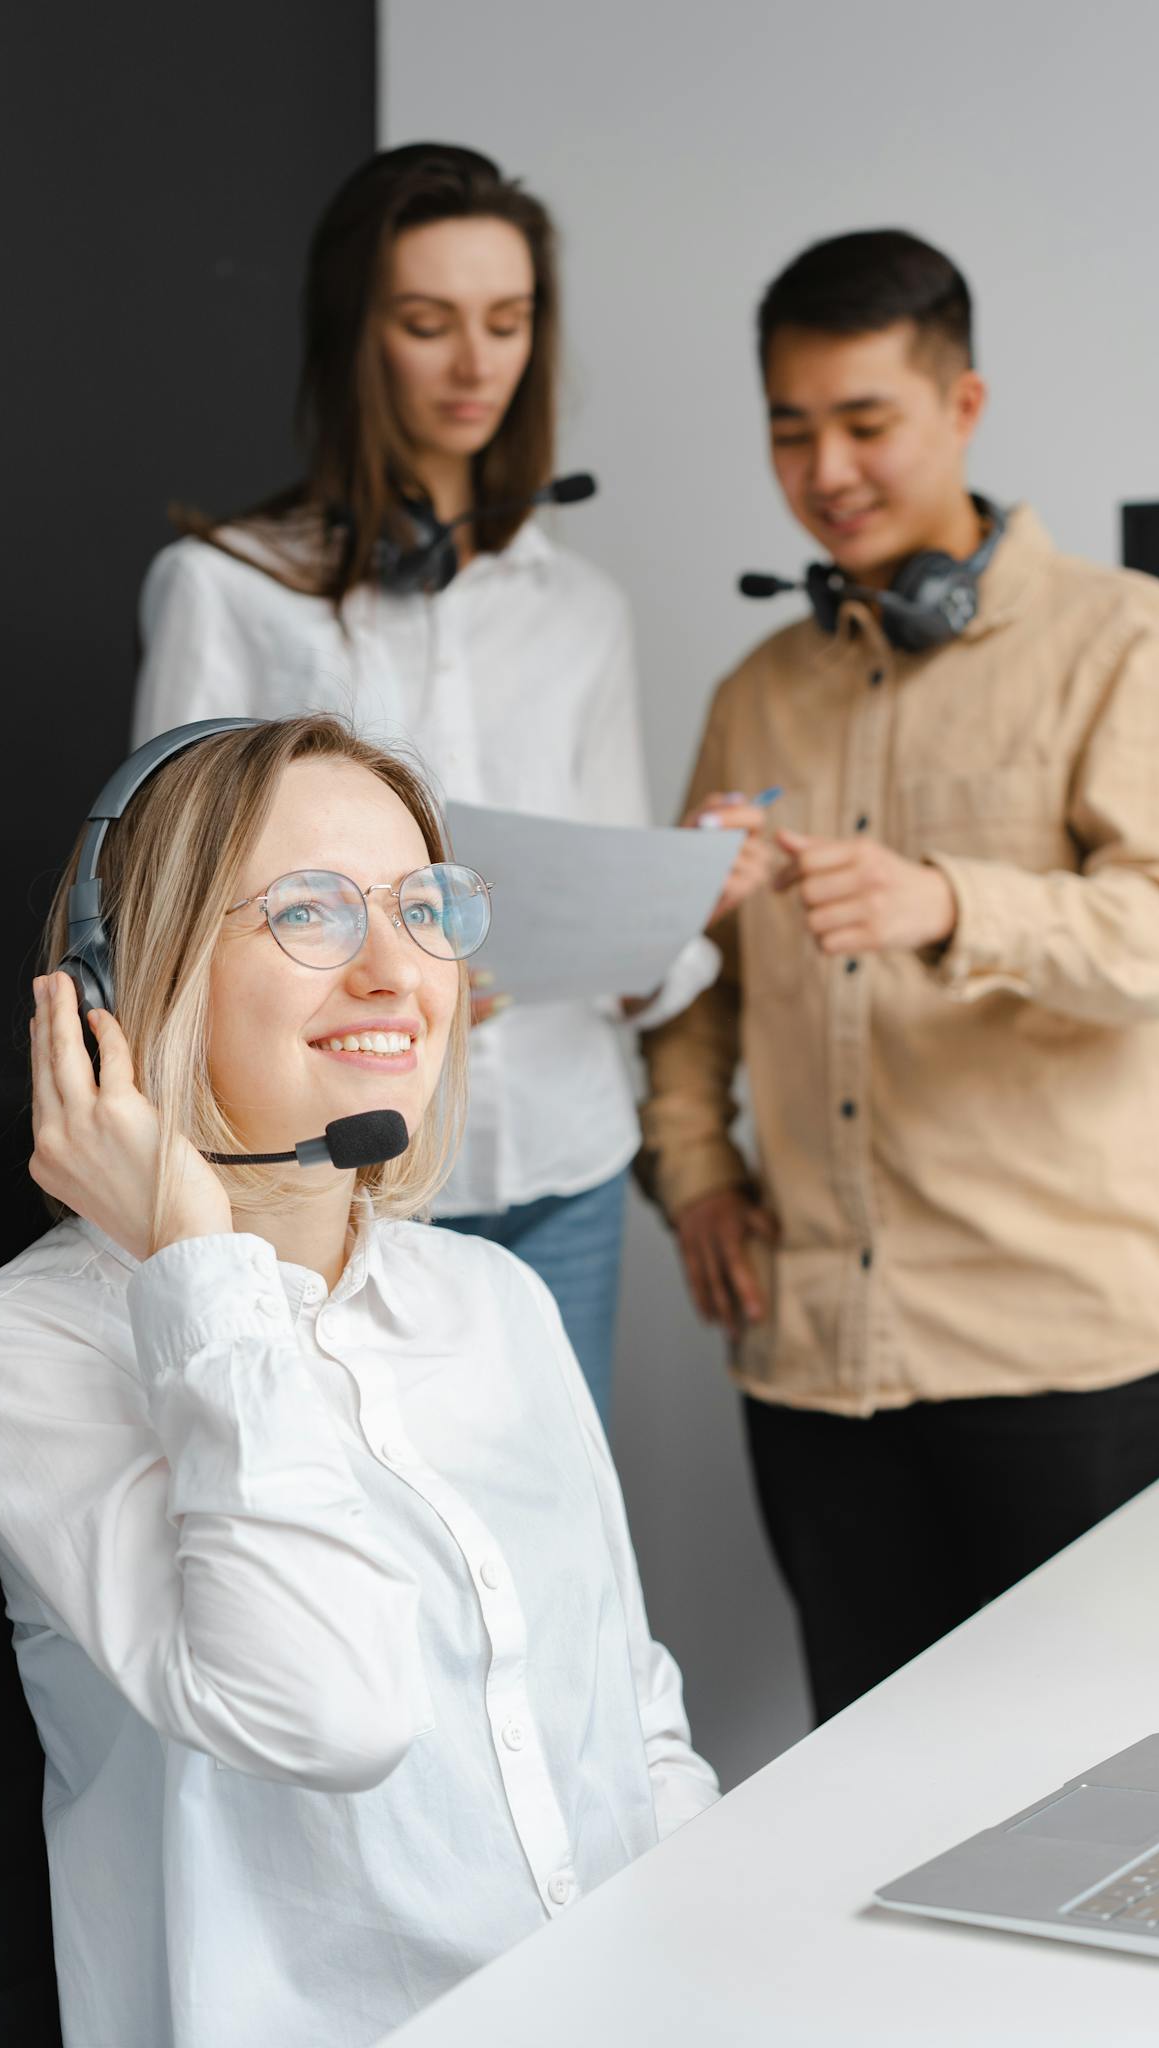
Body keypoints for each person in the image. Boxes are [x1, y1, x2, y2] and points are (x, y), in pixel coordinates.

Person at [0, 715, 719, 2048]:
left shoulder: (489, 1303)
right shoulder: (26, 1350)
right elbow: (327, 1710)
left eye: (424, 911)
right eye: (310, 911)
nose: (394, 972)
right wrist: (198, 1262)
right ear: (125, 984)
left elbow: (634, 1724)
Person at [640, 228, 1159, 1725]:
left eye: (863, 422)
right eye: (790, 428)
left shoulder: (1131, 641)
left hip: (1080, 1354)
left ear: (962, 408)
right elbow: (689, 975)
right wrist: (698, 1168)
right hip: (818, 1365)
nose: (823, 468)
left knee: (1107, 1807)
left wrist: (948, 900)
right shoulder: (753, 692)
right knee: (867, 1809)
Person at [130, 143, 756, 1428]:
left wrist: (673, 906)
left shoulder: (582, 607)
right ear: (358, 337)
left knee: (544, 1532)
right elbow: (174, 928)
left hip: (567, 1157)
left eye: (508, 323)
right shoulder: (229, 586)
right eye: (429, 324)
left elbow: (637, 950)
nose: (477, 365)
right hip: (330, 1168)